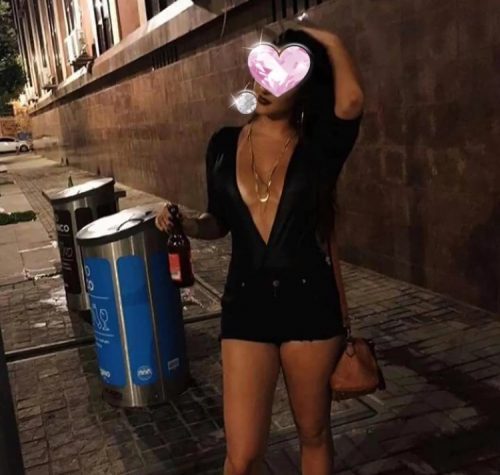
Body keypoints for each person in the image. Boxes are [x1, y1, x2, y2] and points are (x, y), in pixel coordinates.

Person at [156, 24, 364, 475]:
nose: (268, 85)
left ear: (303, 88)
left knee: (313, 433)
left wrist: (325, 40)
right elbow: (218, 221)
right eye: (264, 72)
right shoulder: (222, 145)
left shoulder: (319, 147)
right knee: (243, 455)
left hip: (309, 302)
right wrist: (187, 223)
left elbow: (350, 103)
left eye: (285, 76)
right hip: (246, 304)